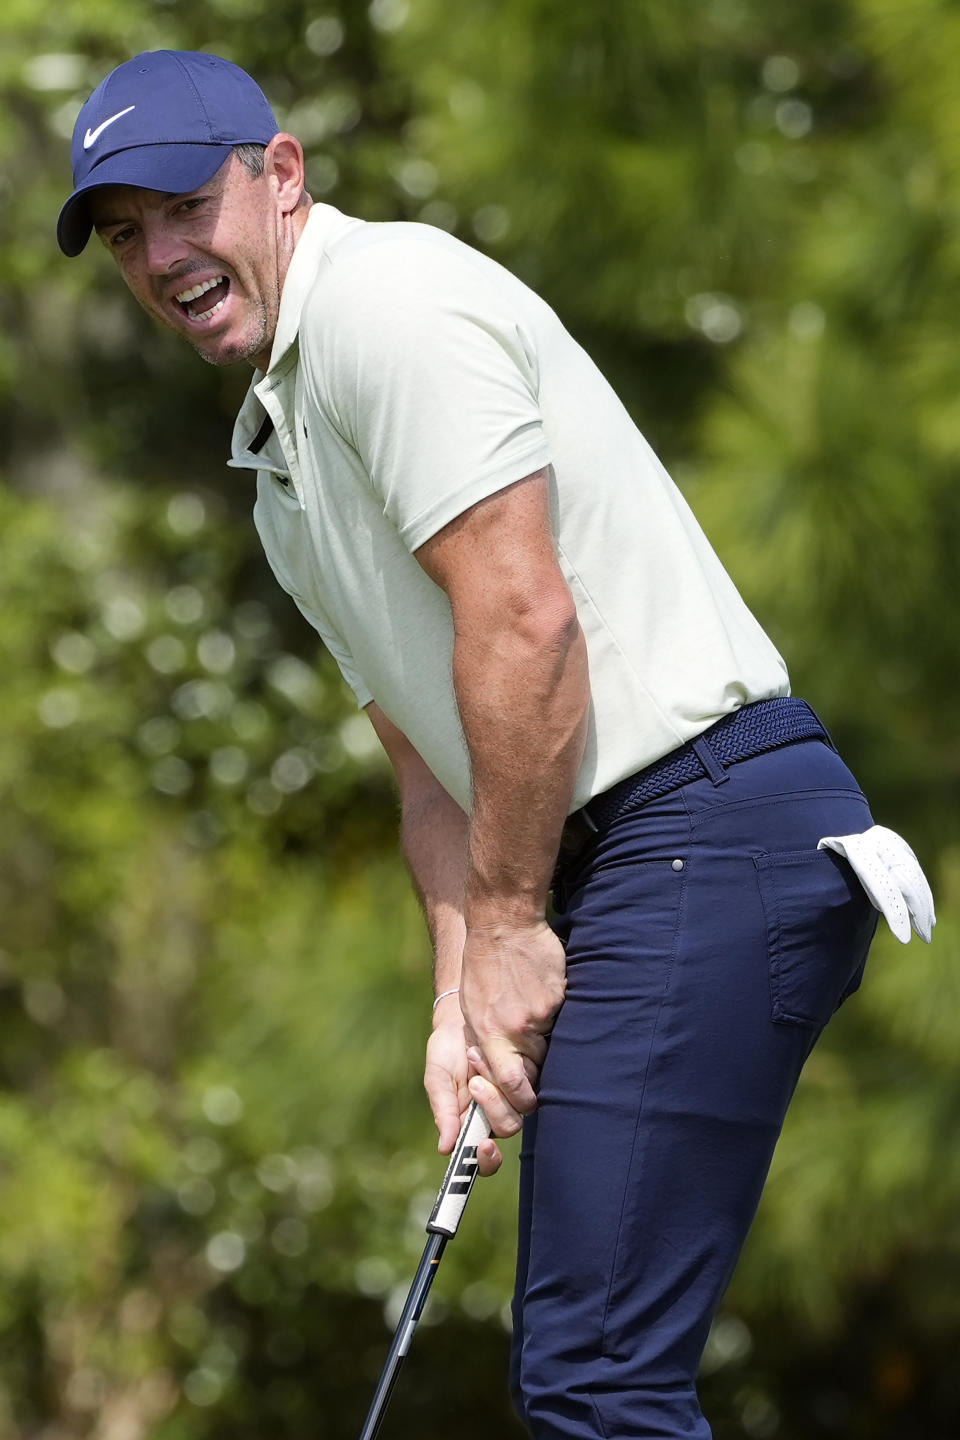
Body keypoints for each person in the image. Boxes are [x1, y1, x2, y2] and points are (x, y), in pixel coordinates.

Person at [58, 51, 934, 1439]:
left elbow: (527, 627)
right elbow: (428, 759)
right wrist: (462, 991)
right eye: (124, 235)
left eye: (182, 204)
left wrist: (520, 922)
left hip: (704, 825)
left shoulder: (384, 309)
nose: (161, 254)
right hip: (640, 851)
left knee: (595, 1382)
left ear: (279, 176)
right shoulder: (282, 465)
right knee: (582, 1371)